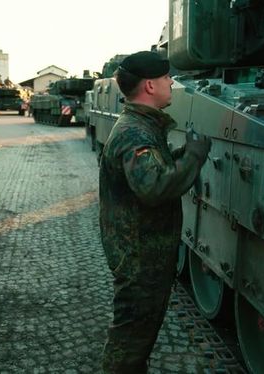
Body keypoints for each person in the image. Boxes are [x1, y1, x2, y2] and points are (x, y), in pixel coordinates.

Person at [98, 51, 211, 373]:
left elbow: (148, 174)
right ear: (149, 85)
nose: (171, 83)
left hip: (140, 250)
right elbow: (154, 188)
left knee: (136, 335)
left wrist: (177, 154)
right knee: (131, 339)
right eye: (165, 78)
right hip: (139, 255)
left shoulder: (140, 126)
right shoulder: (136, 132)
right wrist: (193, 157)